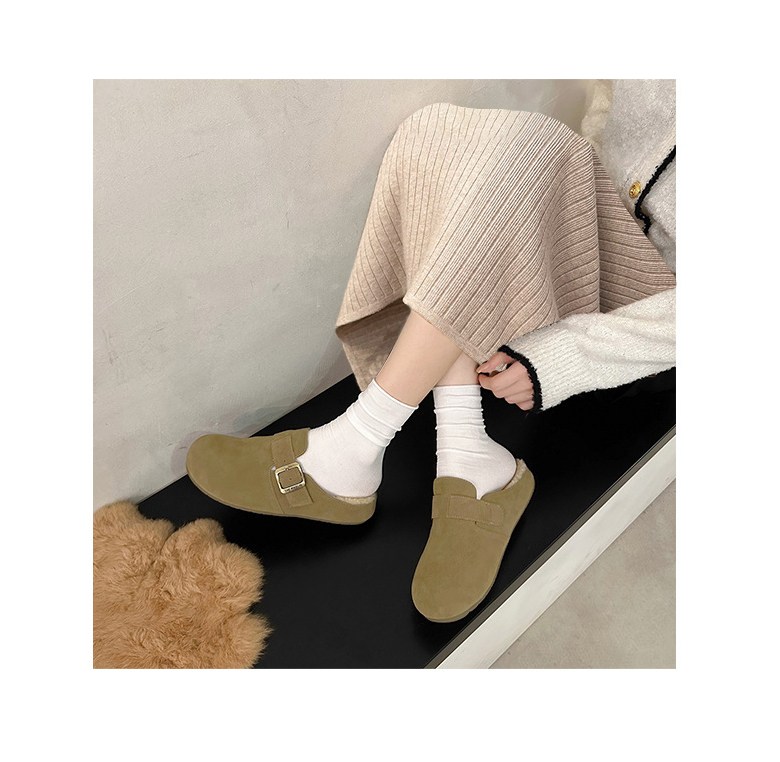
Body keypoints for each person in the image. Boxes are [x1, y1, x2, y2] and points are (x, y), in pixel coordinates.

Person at [187, 83, 676, 623]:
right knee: (433, 132)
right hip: (595, 225)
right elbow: (608, 108)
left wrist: (564, 355)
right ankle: (467, 452)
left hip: (646, 310)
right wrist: (562, 200)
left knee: (538, 150)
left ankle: (358, 441)